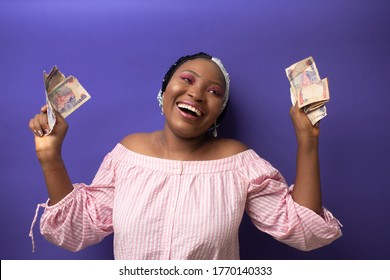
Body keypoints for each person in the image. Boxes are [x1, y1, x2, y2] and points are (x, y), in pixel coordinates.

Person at [29, 52, 342, 260]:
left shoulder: (239, 163)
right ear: (165, 91)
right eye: (187, 80)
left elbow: (307, 232)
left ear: (219, 113)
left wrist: (307, 141)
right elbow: (74, 230)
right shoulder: (128, 154)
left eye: (214, 91)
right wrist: (50, 156)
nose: (196, 93)